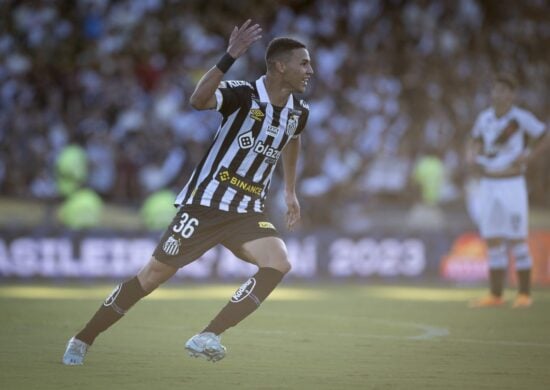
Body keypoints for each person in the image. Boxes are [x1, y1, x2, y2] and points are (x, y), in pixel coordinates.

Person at [62, 20, 313, 364]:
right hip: (205, 205)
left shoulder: (299, 112)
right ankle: (82, 338)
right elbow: (198, 100)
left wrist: (290, 190)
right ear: (279, 66)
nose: (309, 70)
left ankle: (208, 334)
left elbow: (293, 140)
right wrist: (230, 56)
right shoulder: (243, 93)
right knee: (150, 278)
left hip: (247, 212)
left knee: (278, 262)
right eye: (303, 63)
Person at [467, 72, 548, 308]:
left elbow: (543, 135)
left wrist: (529, 156)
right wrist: (472, 154)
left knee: (517, 239)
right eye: (495, 89)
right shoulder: (485, 118)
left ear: (512, 95)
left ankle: (524, 294)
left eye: (503, 90)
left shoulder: (520, 118)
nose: (498, 94)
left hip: (512, 183)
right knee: (492, 239)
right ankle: (496, 295)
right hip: (488, 183)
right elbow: (474, 140)